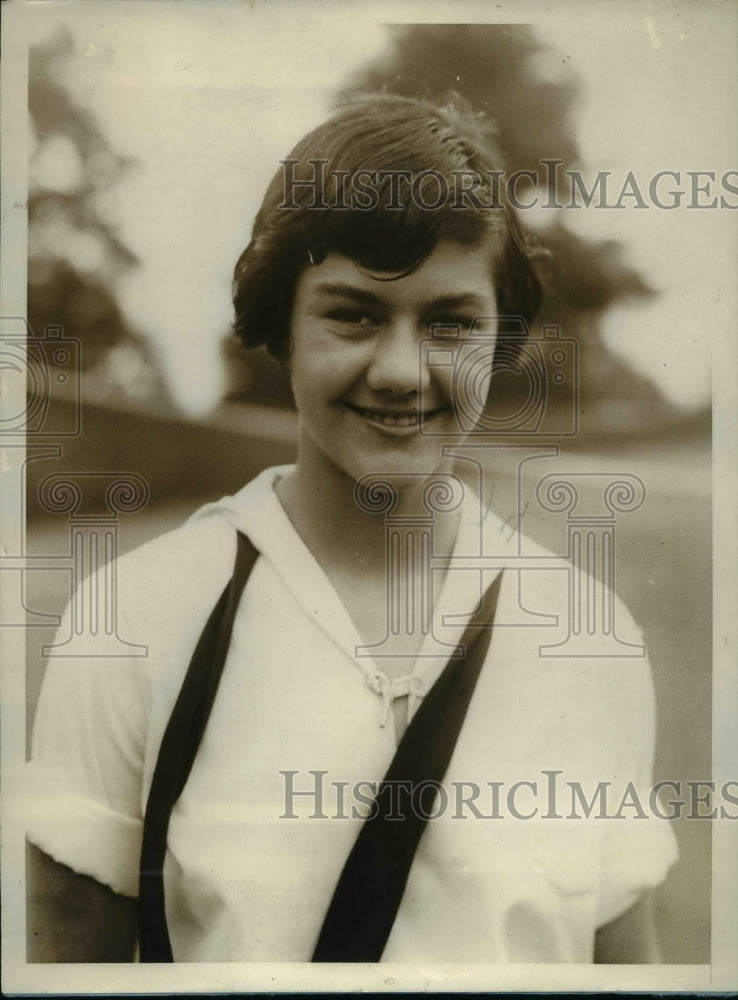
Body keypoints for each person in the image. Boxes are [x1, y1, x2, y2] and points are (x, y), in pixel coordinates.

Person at [25, 93, 677, 964]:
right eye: (354, 314)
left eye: (451, 323)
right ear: (282, 328)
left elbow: (634, 972)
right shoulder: (134, 621)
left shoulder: (589, 640)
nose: (403, 372)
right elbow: (66, 963)